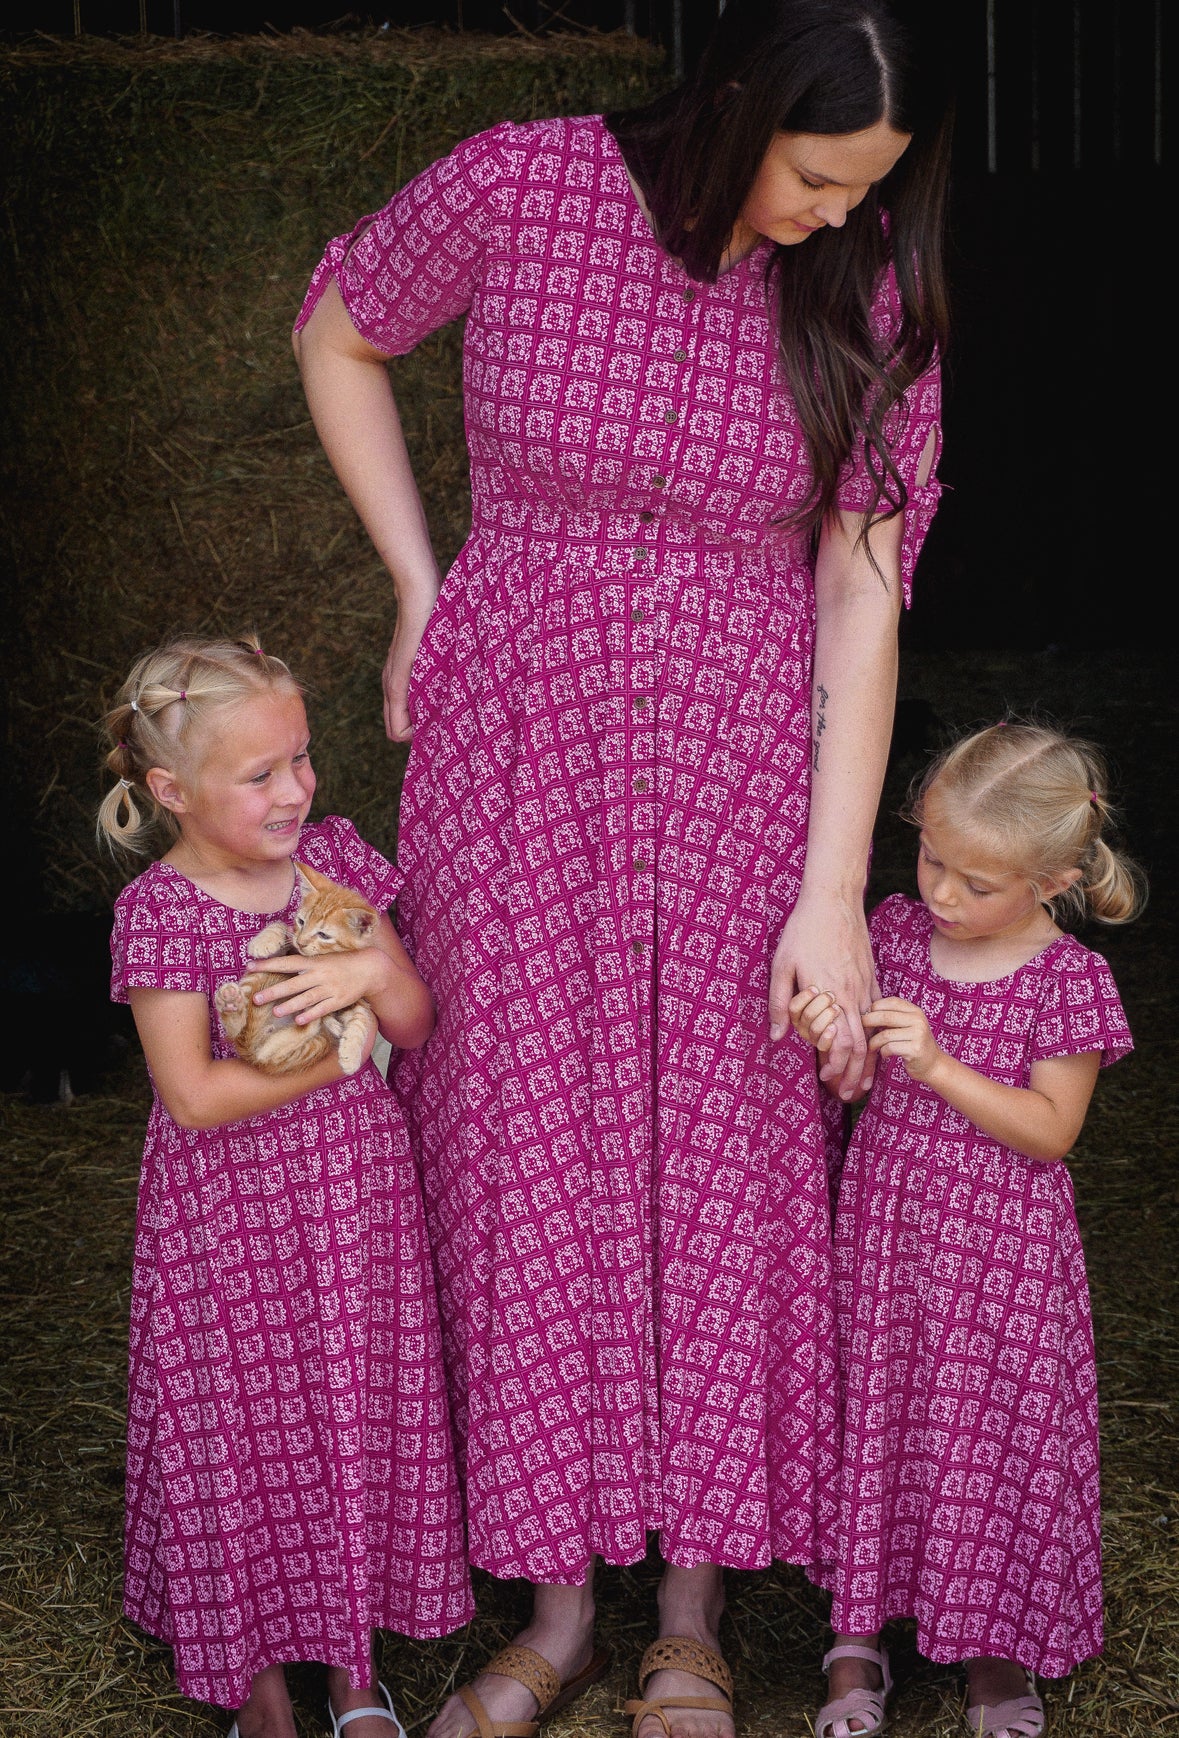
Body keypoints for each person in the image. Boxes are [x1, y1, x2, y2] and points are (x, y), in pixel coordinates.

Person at [291, 3, 952, 1734]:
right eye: (814, 175)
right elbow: (337, 324)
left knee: (721, 1146)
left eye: (863, 188)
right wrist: (419, 583)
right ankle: (553, 1602)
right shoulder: (521, 183)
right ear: (733, 104)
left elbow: (859, 593)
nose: (828, 214)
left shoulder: (859, 280)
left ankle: (689, 1615)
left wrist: (829, 887)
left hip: (743, 765)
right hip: (513, 745)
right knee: (522, 1138)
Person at [99, 636, 474, 1738]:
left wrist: (372, 970)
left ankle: (354, 1665)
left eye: (301, 759)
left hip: (351, 1199)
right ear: (171, 790)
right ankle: (255, 1678)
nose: (297, 788)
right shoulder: (164, 916)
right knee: (239, 1423)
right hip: (227, 1218)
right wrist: (332, 1059)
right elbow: (196, 1096)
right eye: (260, 774)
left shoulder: (339, 864)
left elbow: (415, 1019)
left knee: (342, 1404)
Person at [789, 721, 1144, 1738]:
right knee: (884, 1418)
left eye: (976, 882)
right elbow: (847, 1079)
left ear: (1054, 879)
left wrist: (941, 1065)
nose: (943, 894)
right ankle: (855, 1640)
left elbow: (1051, 1131)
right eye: (931, 859)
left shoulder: (1067, 980)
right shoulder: (895, 933)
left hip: (1004, 1260)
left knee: (990, 1432)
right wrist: (837, 1037)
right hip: (890, 1238)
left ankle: (997, 1651)